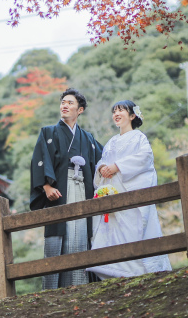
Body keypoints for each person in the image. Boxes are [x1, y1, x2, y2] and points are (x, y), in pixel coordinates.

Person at [86, 99, 172, 279]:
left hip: (129, 188)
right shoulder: (111, 142)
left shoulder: (139, 137)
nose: (116, 114)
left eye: (121, 111)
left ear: (132, 115)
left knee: (134, 227)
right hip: (113, 188)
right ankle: (115, 270)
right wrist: (102, 168)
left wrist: (117, 166)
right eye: (114, 111)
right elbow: (103, 160)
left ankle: (140, 270)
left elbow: (145, 158)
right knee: (114, 228)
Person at [30, 88, 103, 290]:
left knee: (82, 232)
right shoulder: (48, 133)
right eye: (63, 102)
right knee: (60, 233)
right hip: (60, 192)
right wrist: (46, 187)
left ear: (80, 110)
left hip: (83, 191)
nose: (64, 105)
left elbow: (103, 162)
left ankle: (82, 283)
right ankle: (55, 290)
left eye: (70, 103)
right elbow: (38, 160)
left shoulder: (87, 138)